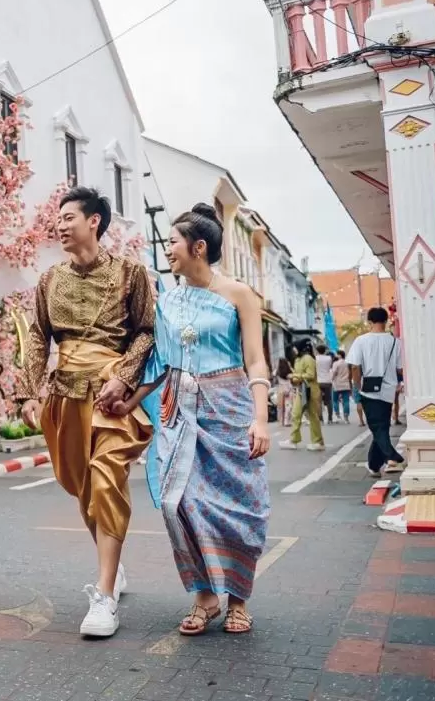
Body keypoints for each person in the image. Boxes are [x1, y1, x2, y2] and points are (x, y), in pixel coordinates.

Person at [121, 206, 270, 636]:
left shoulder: (239, 294)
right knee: (179, 502)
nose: (167, 249)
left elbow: (256, 359)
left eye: (172, 242)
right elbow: (160, 363)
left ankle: (238, 597)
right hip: (178, 411)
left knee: (239, 506)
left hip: (230, 407)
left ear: (198, 247)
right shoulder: (166, 301)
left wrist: (260, 419)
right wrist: (128, 400)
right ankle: (205, 595)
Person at [16, 186, 155, 638]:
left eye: (69, 217)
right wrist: (32, 385)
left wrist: (125, 377)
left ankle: (105, 596)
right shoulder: (49, 279)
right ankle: (112, 567)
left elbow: (146, 332)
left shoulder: (131, 274)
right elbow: (38, 334)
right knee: (82, 487)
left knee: (107, 476)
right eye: (57, 218)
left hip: (111, 395)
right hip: (66, 394)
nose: (59, 224)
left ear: (94, 221)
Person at [346, 307, 405, 476]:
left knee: (378, 428)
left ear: (369, 322)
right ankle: (373, 466)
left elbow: (355, 367)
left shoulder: (361, 341)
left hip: (368, 390)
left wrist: (357, 385)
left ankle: (394, 458)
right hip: (388, 391)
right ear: (386, 321)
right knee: (381, 427)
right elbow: (400, 369)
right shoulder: (395, 342)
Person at [280, 340, 324, 451]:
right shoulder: (298, 359)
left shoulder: (308, 358)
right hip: (301, 390)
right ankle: (293, 440)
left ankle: (318, 442)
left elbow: (310, 375)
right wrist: (294, 378)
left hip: (311, 390)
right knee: (295, 414)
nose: (294, 350)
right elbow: (298, 375)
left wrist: (294, 375)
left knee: (313, 416)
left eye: (295, 347)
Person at [330, 350, 352, 424]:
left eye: (337, 354)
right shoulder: (347, 363)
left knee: (335, 400)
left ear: (339, 355)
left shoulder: (336, 363)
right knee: (346, 401)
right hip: (346, 384)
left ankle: (338, 415)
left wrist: (331, 379)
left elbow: (334, 373)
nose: (336, 355)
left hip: (337, 384)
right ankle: (346, 417)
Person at [315, 345, 335, 423]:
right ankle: (330, 418)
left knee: (318, 401)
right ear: (324, 351)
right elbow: (330, 367)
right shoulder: (329, 358)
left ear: (317, 351)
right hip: (327, 381)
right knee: (329, 400)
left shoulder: (315, 358)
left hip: (318, 381)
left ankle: (321, 419)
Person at [275, 356, 293, 428]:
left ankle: (280, 421)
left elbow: (275, 379)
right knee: (288, 405)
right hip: (288, 389)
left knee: (280, 406)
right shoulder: (288, 371)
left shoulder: (277, 372)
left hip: (281, 389)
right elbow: (293, 376)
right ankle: (286, 421)